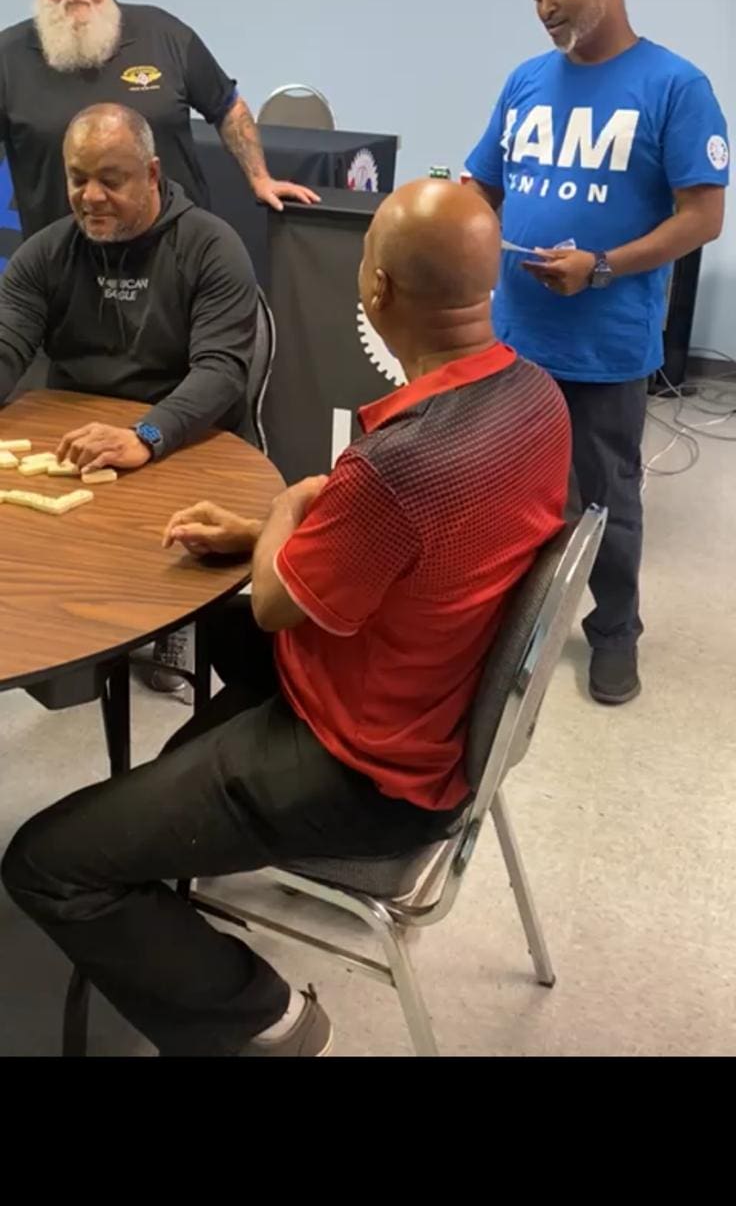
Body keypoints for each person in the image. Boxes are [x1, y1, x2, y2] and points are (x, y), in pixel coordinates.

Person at [2, 178, 571, 1059]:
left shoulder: (397, 464)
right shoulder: (536, 398)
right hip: (433, 694)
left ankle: (264, 1020)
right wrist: (279, 530)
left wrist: (282, 516)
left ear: (375, 287)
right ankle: (180, 814)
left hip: (368, 772)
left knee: (47, 862)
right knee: (212, 622)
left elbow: (276, 602)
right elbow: (401, 548)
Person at [465, 0, 729, 708]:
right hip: (515, 338)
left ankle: (614, 632)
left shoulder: (674, 86)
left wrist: (603, 267)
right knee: (512, 495)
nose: (546, 7)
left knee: (605, 500)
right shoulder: (525, 82)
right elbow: (483, 186)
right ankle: (516, 628)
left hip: (604, 343)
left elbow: (702, 217)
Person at [0, 0, 319, 242]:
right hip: (63, 257)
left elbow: (227, 106)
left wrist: (260, 178)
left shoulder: (165, 35)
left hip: (177, 251)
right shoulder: (7, 58)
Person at [0, 102, 257, 465]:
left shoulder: (212, 249)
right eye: (78, 179)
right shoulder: (44, 254)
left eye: (110, 181)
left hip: (185, 443)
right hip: (73, 443)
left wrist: (146, 435)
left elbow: (220, 372)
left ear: (151, 174)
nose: (91, 196)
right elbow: (5, 347)